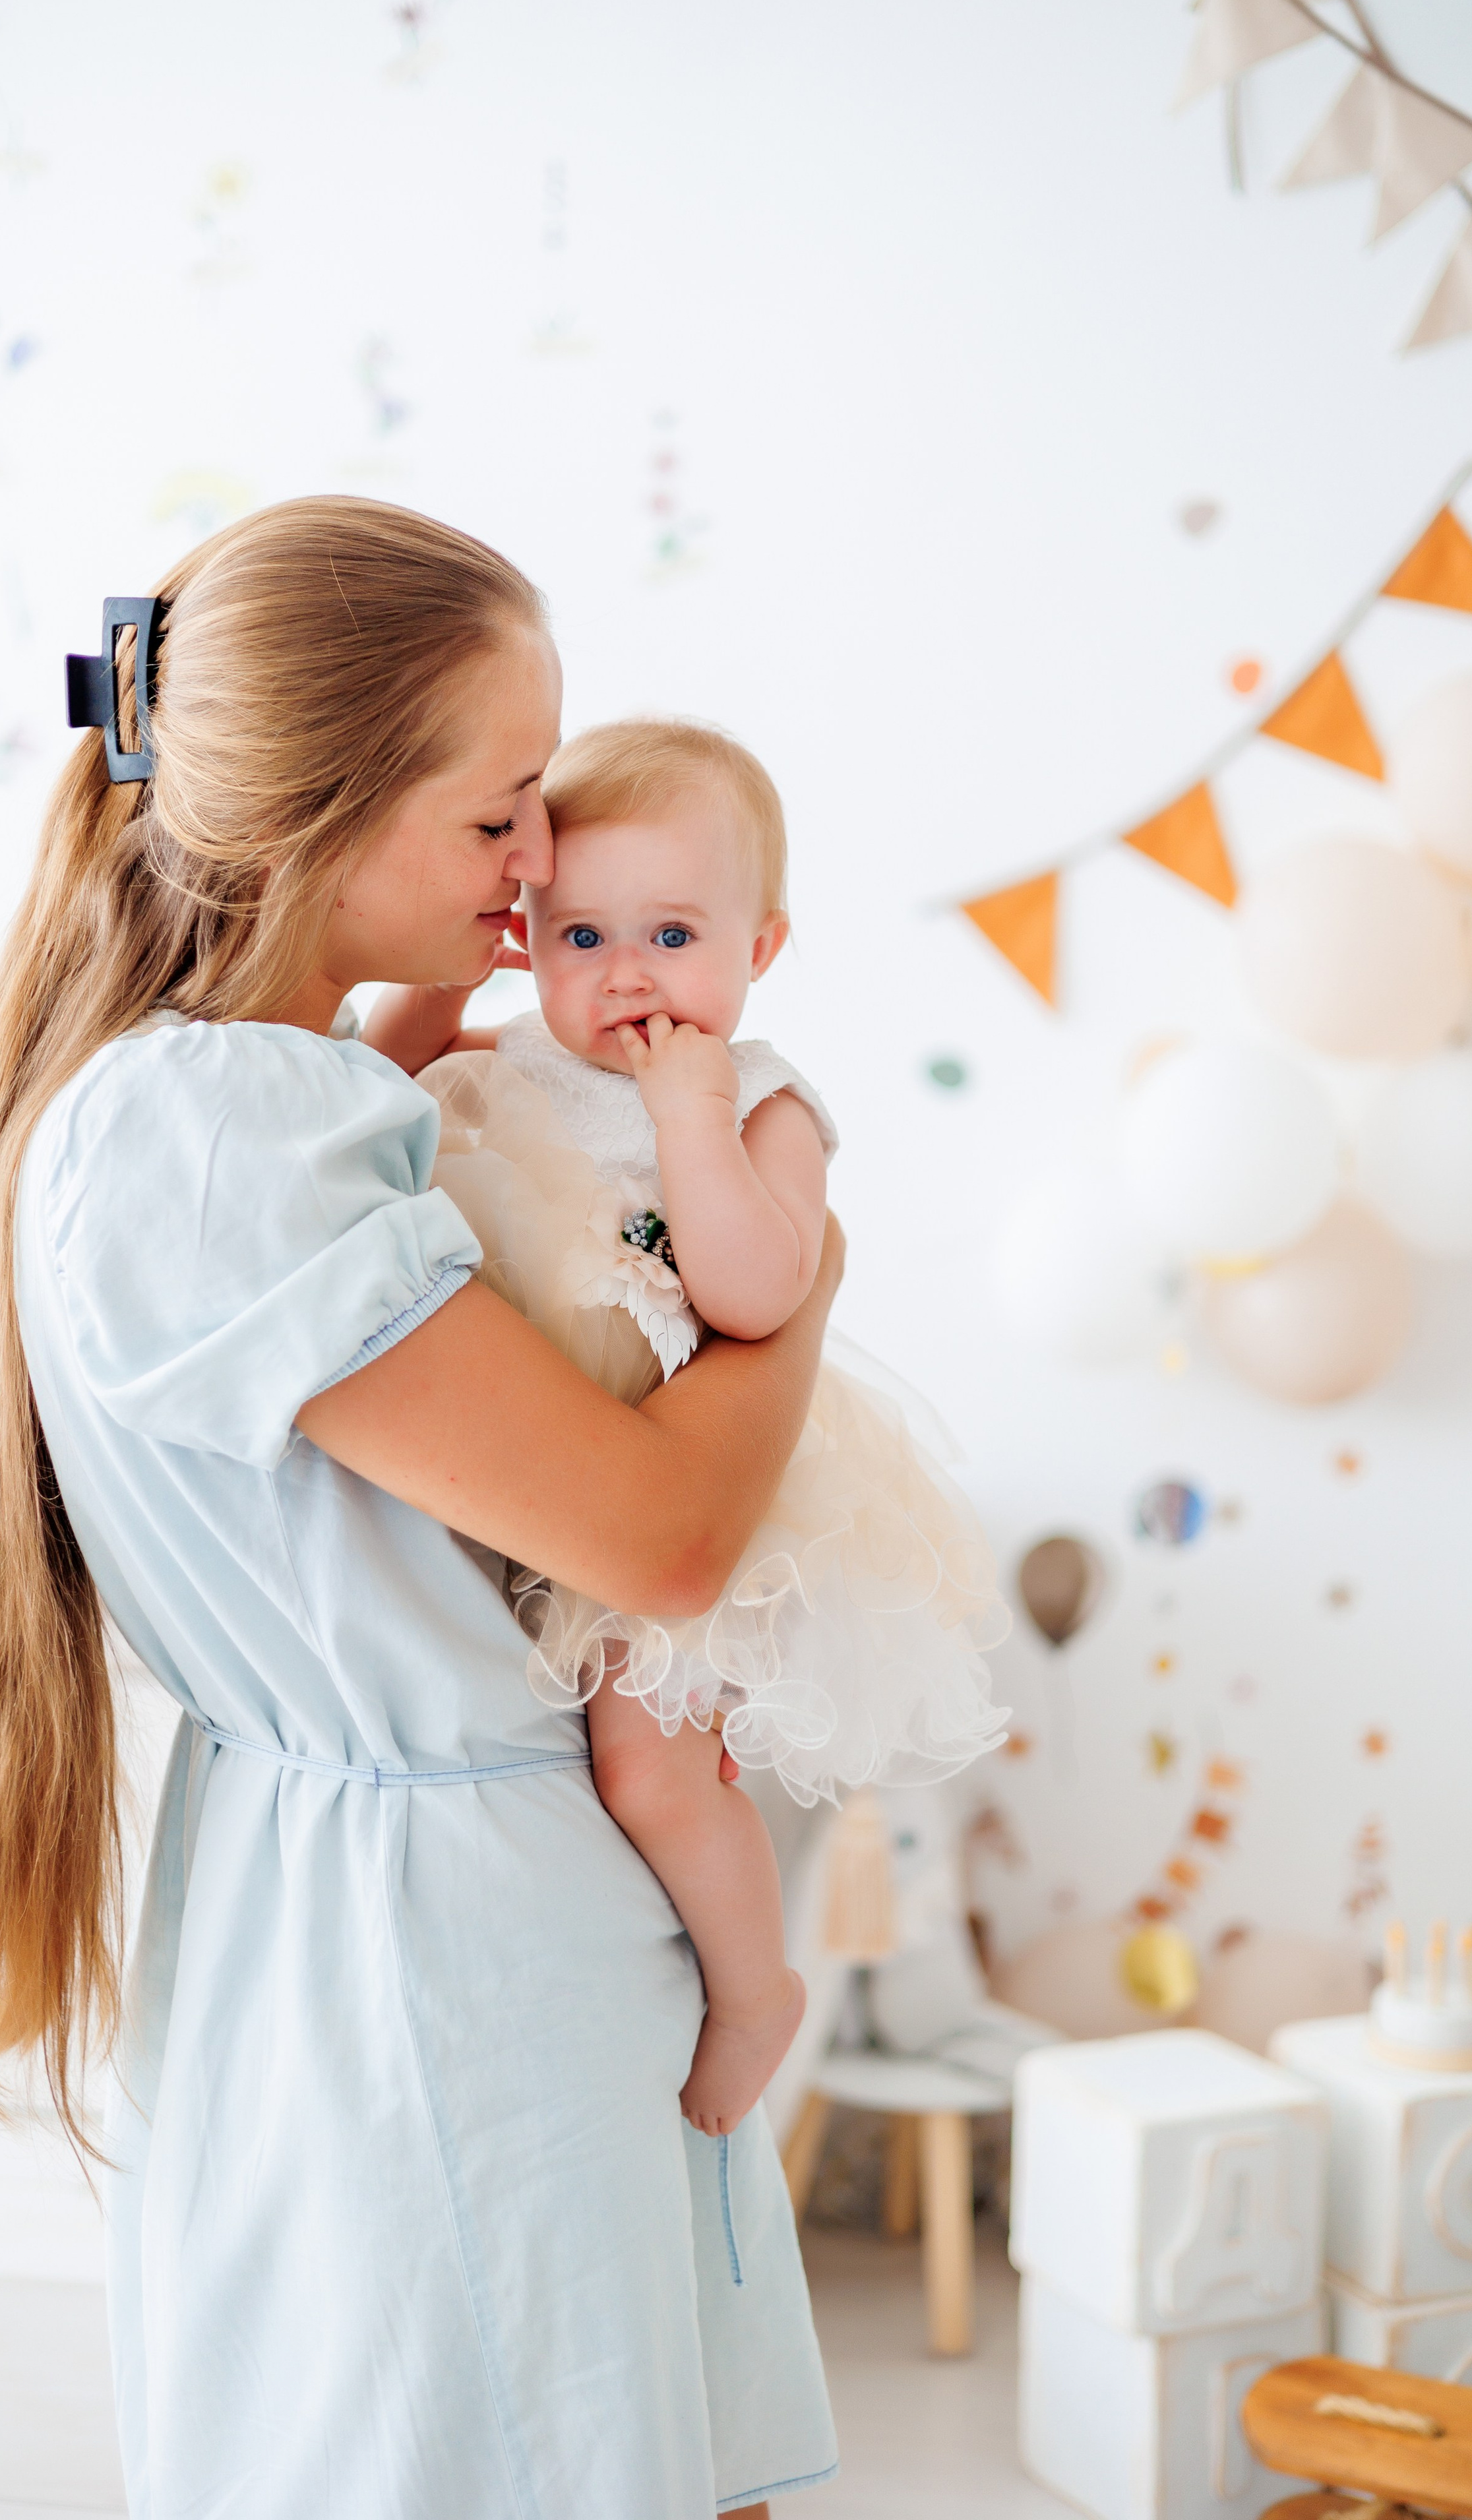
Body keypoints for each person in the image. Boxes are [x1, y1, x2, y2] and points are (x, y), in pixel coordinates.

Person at [0, 500, 841, 2519]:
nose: (537, 875)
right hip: (447, 1958)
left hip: (438, 1908)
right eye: (499, 817)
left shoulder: (259, 1094)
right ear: (325, 812)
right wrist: (799, 1283)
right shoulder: (221, 1133)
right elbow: (663, 1539)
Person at [369, 720, 1011, 2141]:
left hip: (693, 1502)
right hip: (526, 1474)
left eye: (671, 933)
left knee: (647, 1767)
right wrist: (430, 997)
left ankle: (748, 1987)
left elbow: (757, 1287)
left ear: (760, 945)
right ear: (523, 935)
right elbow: (381, 1103)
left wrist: (688, 1122)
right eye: (578, 932)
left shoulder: (762, 1103)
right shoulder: (510, 1056)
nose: (625, 975)